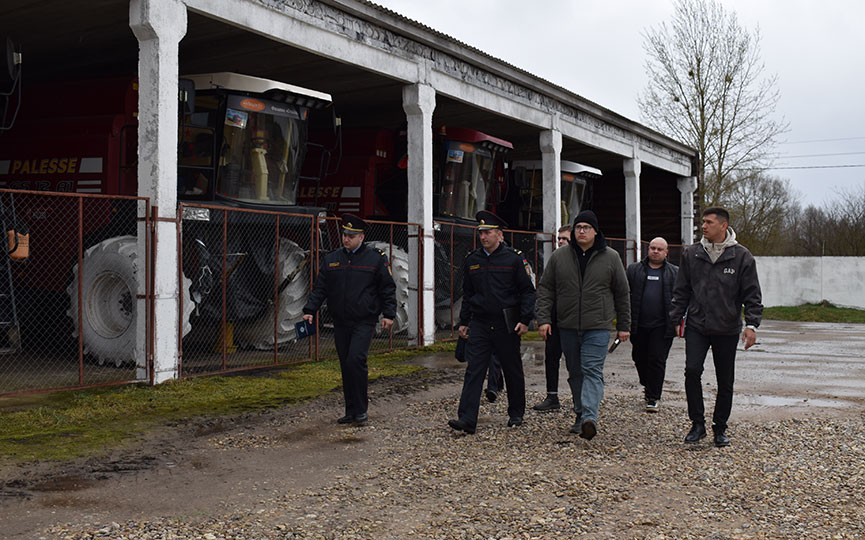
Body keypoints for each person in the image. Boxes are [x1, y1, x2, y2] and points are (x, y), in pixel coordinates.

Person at [670, 207, 763, 448]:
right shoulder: (692, 254)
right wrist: (675, 318)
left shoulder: (741, 256)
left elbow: (752, 294)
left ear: (723, 226)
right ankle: (697, 424)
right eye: (703, 222)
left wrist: (751, 324)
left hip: (727, 327)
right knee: (692, 371)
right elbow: (681, 290)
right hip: (697, 325)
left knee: (725, 380)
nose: (703, 226)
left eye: (709, 222)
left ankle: (720, 427)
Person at [536, 210, 630, 440]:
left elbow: (622, 292)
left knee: (592, 369)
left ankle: (589, 417)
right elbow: (546, 289)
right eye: (578, 227)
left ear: (595, 231)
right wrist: (544, 319)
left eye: (587, 227)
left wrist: (624, 325)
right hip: (567, 325)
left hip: (597, 325)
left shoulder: (611, 257)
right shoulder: (560, 257)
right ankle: (580, 414)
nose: (582, 231)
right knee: (575, 372)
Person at [303, 213, 397, 425]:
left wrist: (389, 314)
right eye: (345, 235)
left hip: (364, 320)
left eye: (351, 236)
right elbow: (320, 288)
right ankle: (351, 411)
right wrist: (310, 309)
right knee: (346, 364)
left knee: (356, 360)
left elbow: (387, 288)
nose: (346, 239)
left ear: (361, 237)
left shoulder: (375, 258)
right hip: (341, 321)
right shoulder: (332, 259)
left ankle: (361, 410)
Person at [448, 210, 536, 434]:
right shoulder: (473, 260)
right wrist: (464, 321)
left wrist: (525, 319)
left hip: (506, 322)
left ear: (499, 235)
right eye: (481, 233)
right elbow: (468, 293)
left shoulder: (514, 259)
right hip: (480, 322)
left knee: (511, 368)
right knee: (474, 370)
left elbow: (527, 291)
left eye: (487, 232)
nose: (483, 237)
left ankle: (516, 413)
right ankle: (467, 419)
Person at [626, 237, 678, 413]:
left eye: (659, 249)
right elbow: (624, 294)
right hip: (638, 324)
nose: (655, 251)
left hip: (662, 326)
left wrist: (678, 320)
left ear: (666, 252)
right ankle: (648, 383)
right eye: (653, 248)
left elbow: (681, 297)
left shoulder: (674, 273)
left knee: (657, 359)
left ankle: (653, 397)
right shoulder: (634, 270)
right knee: (639, 358)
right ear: (648, 250)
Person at [533, 225, 573, 411]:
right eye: (559, 239)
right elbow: (545, 290)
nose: (561, 242)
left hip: (574, 321)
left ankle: (581, 399)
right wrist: (543, 319)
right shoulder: (555, 261)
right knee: (551, 357)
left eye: (565, 239)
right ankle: (552, 396)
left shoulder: (581, 261)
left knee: (575, 361)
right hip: (555, 320)